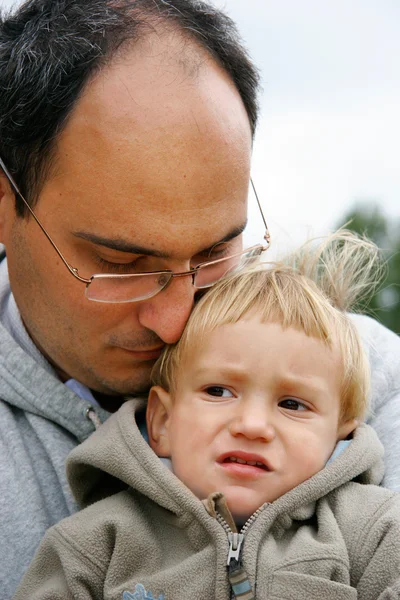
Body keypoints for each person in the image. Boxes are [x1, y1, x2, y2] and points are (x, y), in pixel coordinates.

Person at [0, 0, 399, 597]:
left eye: (216, 250)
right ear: (6, 205)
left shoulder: (374, 379)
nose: (176, 318)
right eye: (121, 264)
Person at [13, 232, 400, 599]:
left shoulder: (371, 532)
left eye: (292, 404)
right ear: (163, 422)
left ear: (340, 437)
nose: (251, 426)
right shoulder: (99, 542)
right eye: (218, 391)